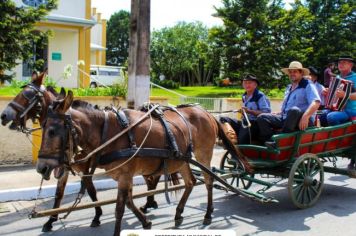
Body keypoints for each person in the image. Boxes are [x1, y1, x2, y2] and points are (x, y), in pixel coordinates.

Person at [256, 61, 321, 147]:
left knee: (294, 110)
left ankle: (280, 141)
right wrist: (280, 113)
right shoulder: (289, 87)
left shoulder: (308, 84)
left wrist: (306, 116)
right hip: (287, 118)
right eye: (290, 72)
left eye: (295, 71)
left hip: (304, 120)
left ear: (301, 73)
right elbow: (287, 106)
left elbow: (316, 102)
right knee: (262, 117)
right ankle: (270, 141)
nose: (292, 74)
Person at [220, 74, 271, 144]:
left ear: (255, 85)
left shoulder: (260, 96)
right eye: (245, 83)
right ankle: (230, 139)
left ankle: (238, 146)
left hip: (254, 124)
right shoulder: (244, 96)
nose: (247, 85)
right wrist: (243, 112)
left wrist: (249, 111)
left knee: (241, 139)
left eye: (249, 83)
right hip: (244, 122)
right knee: (223, 119)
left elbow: (266, 113)